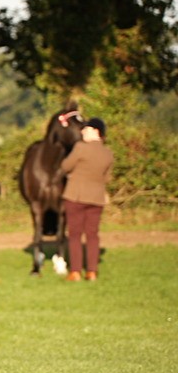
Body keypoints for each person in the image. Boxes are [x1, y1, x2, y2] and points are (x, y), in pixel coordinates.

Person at [60, 117, 114, 281]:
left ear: (96, 132)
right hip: (97, 198)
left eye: (86, 129)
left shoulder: (80, 148)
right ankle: (92, 272)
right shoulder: (108, 153)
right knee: (93, 235)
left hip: (76, 196)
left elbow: (65, 166)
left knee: (75, 235)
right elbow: (107, 178)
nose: (83, 131)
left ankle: (75, 271)